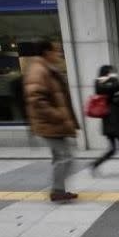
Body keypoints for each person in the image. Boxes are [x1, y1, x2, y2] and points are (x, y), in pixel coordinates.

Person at [24, 40, 80, 202]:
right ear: (47, 52)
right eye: (57, 51)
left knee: (60, 158)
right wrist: (58, 115)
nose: (59, 54)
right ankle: (57, 191)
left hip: (53, 125)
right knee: (65, 157)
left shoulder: (47, 70)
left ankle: (58, 190)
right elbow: (36, 99)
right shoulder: (39, 70)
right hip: (50, 125)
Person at [91, 65, 119, 176]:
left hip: (111, 122)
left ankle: (96, 164)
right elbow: (118, 86)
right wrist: (113, 79)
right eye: (111, 72)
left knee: (113, 149)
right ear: (107, 73)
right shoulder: (103, 84)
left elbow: (118, 90)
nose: (113, 74)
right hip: (116, 122)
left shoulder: (100, 83)